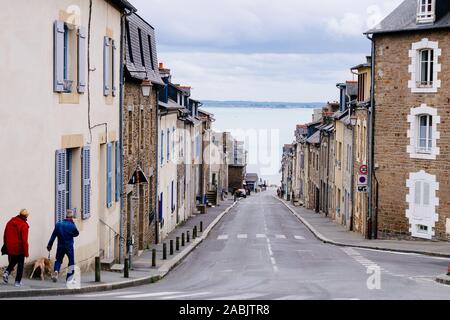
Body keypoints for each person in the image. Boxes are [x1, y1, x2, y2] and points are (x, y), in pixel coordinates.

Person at [47, 209, 79, 283]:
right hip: (69, 246)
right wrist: (71, 234)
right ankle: (69, 278)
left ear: (65, 216)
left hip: (60, 246)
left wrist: (49, 245)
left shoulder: (58, 224)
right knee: (71, 262)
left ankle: (56, 271)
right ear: (71, 217)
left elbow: (53, 236)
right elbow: (77, 233)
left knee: (58, 260)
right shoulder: (72, 225)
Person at [2, 209, 30, 287]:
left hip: (10, 246)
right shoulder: (24, 225)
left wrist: (6, 244)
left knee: (14, 260)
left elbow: (5, 233)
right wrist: (26, 252)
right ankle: (17, 281)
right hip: (19, 248)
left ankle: (6, 272)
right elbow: (24, 240)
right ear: (26, 216)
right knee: (20, 264)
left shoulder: (11, 221)